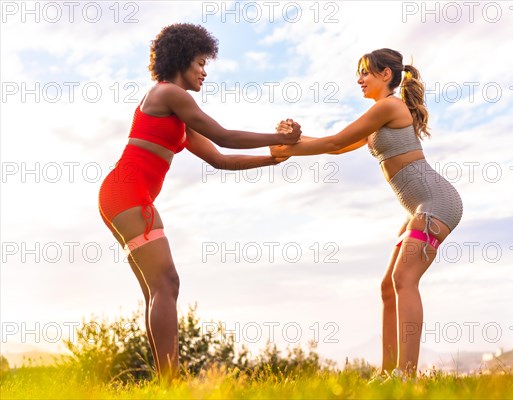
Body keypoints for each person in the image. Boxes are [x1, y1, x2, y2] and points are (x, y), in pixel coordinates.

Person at [98, 23, 300, 381]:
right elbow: (223, 133)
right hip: (127, 193)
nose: (205, 72)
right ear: (181, 59)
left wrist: (272, 156)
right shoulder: (169, 94)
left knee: (158, 288)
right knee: (166, 283)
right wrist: (279, 136)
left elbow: (219, 157)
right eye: (201, 63)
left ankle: (166, 382)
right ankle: (170, 381)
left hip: (124, 195)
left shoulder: (176, 110)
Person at [270, 48, 462, 378]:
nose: (359, 80)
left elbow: (334, 142)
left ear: (385, 75)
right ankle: (388, 374)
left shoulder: (389, 106)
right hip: (418, 207)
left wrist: (287, 147)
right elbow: (341, 145)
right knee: (389, 287)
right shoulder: (379, 116)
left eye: (365, 73)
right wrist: (287, 143)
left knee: (405, 279)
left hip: (436, 202)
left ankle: (407, 375)